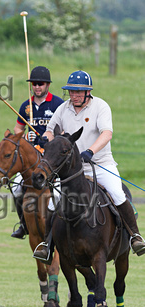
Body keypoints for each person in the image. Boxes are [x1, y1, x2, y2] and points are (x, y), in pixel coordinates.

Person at [33, 70, 145, 259]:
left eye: (78, 92)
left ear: (87, 92)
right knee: (54, 201)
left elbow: (106, 134)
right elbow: (50, 131)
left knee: (117, 194)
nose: (74, 95)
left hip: (100, 164)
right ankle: (46, 244)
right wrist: (45, 140)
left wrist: (90, 151)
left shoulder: (100, 107)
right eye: (71, 91)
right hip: (71, 170)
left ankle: (135, 236)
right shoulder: (63, 109)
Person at [10, 66, 64, 239]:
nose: (37, 87)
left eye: (40, 84)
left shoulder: (57, 104)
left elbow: (65, 131)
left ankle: (60, 227)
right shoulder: (27, 106)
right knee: (17, 188)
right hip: (31, 159)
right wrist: (25, 136)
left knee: (57, 193)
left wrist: (50, 139)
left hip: (51, 158)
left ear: (47, 85)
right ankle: (23, 224)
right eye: (34, 84)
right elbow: (17, 129)